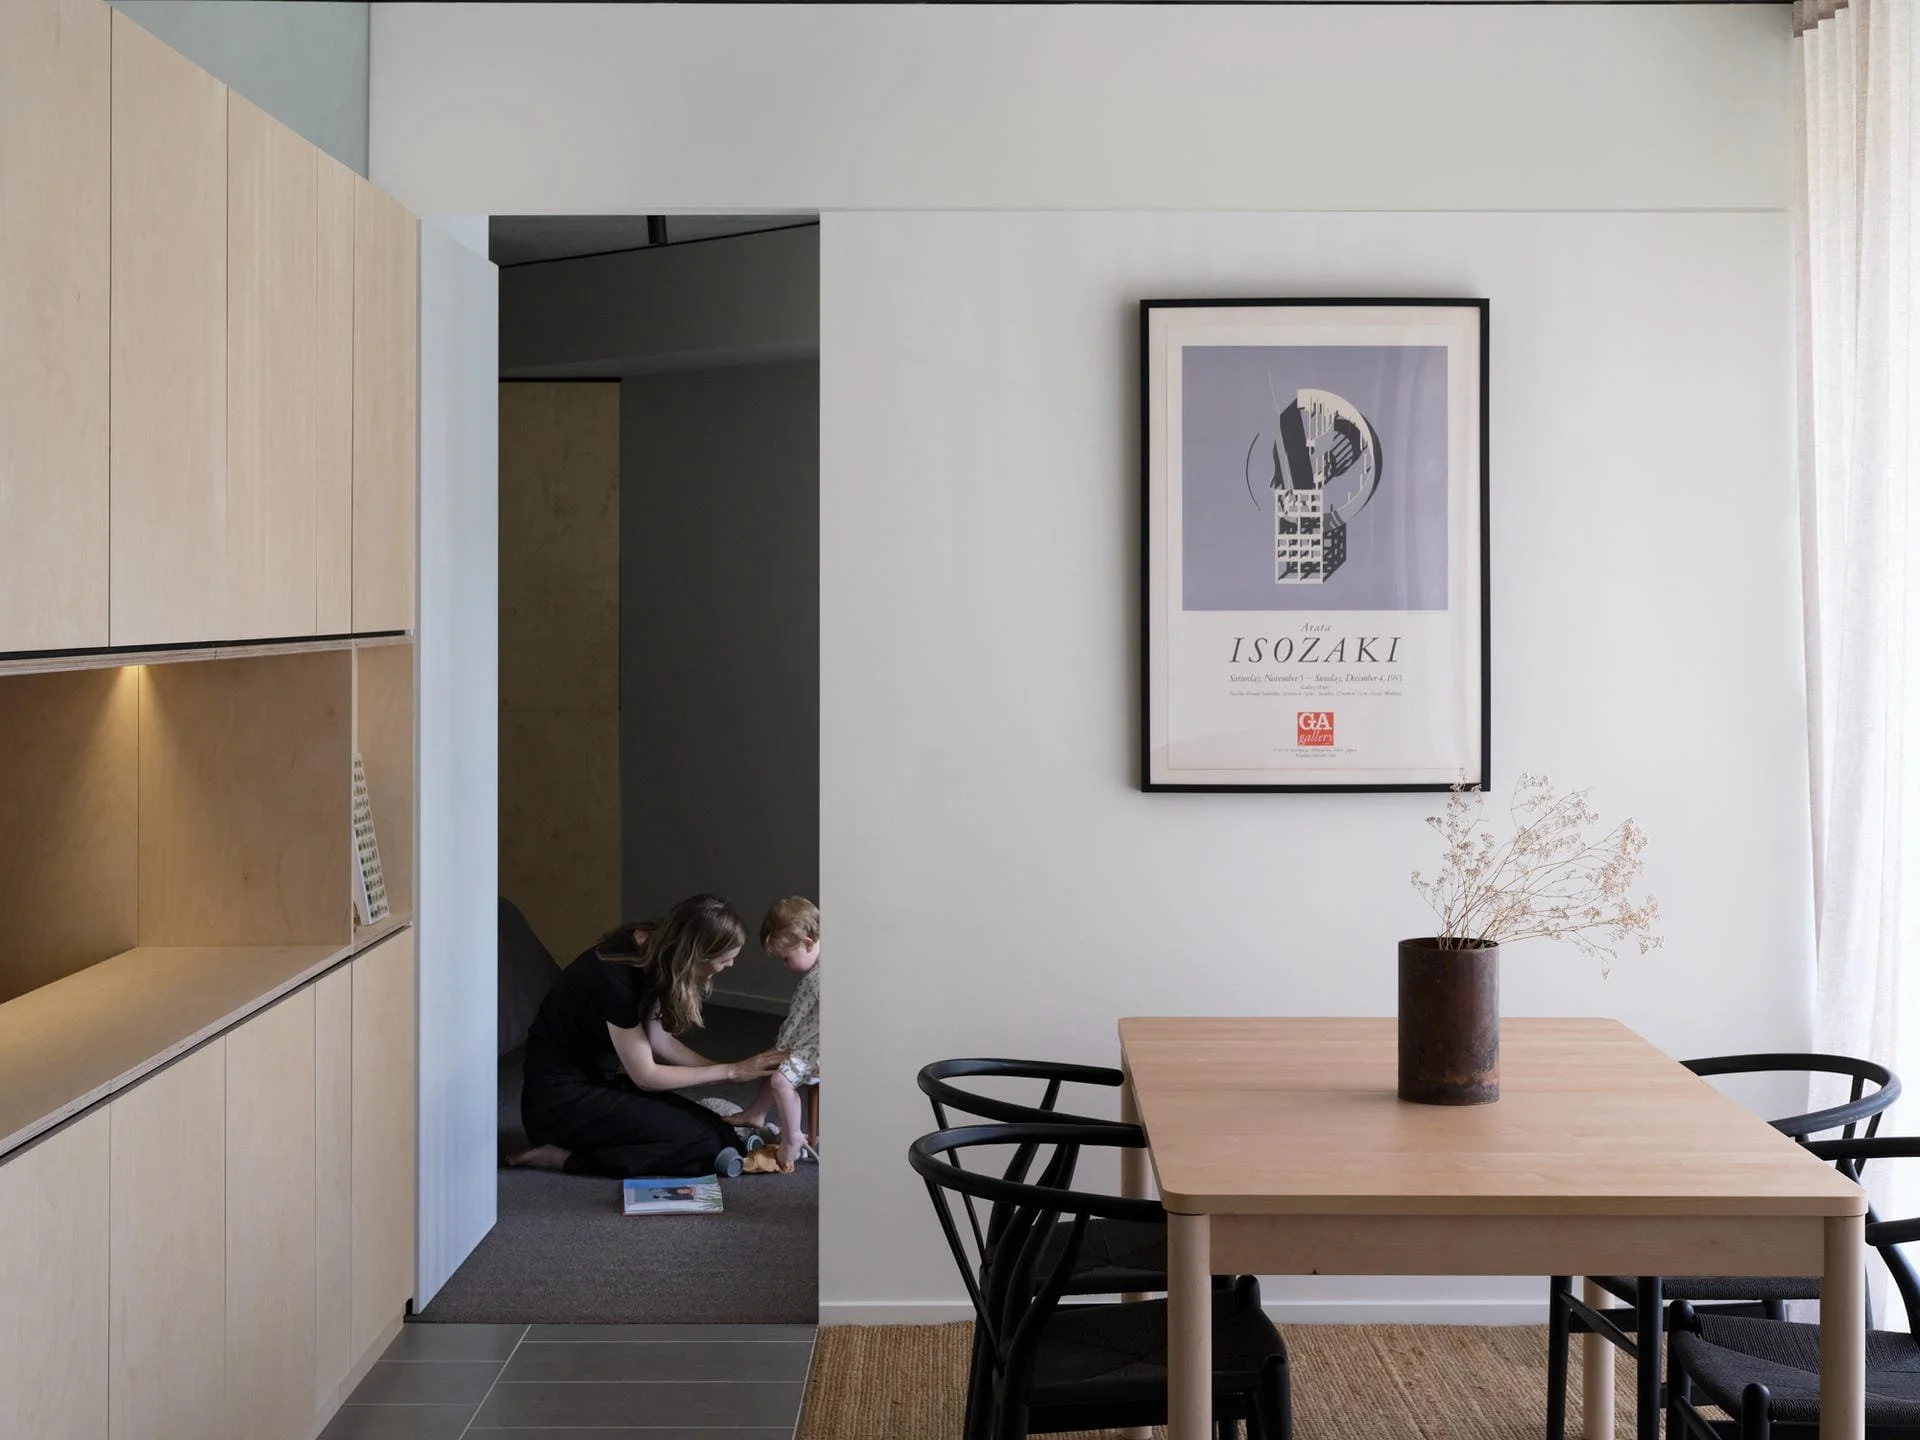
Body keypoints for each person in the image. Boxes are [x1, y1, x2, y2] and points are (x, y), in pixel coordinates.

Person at [507, 894, 787, 1179]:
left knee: (721, 1132)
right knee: (701, 1145)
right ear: (695, 954)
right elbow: (646, 1076)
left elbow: (659, 1042)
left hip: (599, 1085)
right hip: (559, 1104)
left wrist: (732, 1070)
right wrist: (729, 1071)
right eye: (726, 959)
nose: (730, 965)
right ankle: (565, 1159)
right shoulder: (613, 978)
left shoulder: (655, 950)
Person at [727, 896, 821, 1169]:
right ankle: (756, 1113)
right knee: (772, 1062)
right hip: (801, 1042)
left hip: (818, 1049)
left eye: (786, 959)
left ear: (806, 944)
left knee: (781, 1082)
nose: (785, 966)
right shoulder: (816, 969)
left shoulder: (827, 977)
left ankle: (792, 1136)